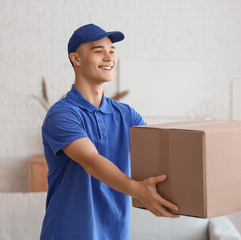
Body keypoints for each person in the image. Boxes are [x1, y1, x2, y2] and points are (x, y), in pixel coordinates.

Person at [39, 23, 180, 240]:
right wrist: (138, 190)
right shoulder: (61, 115)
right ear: (76, 59)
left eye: (112, 52)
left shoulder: (127, 115)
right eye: (99, 51)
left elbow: (158, 154)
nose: (109, 58)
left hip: (116, 233)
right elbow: (91, 161)